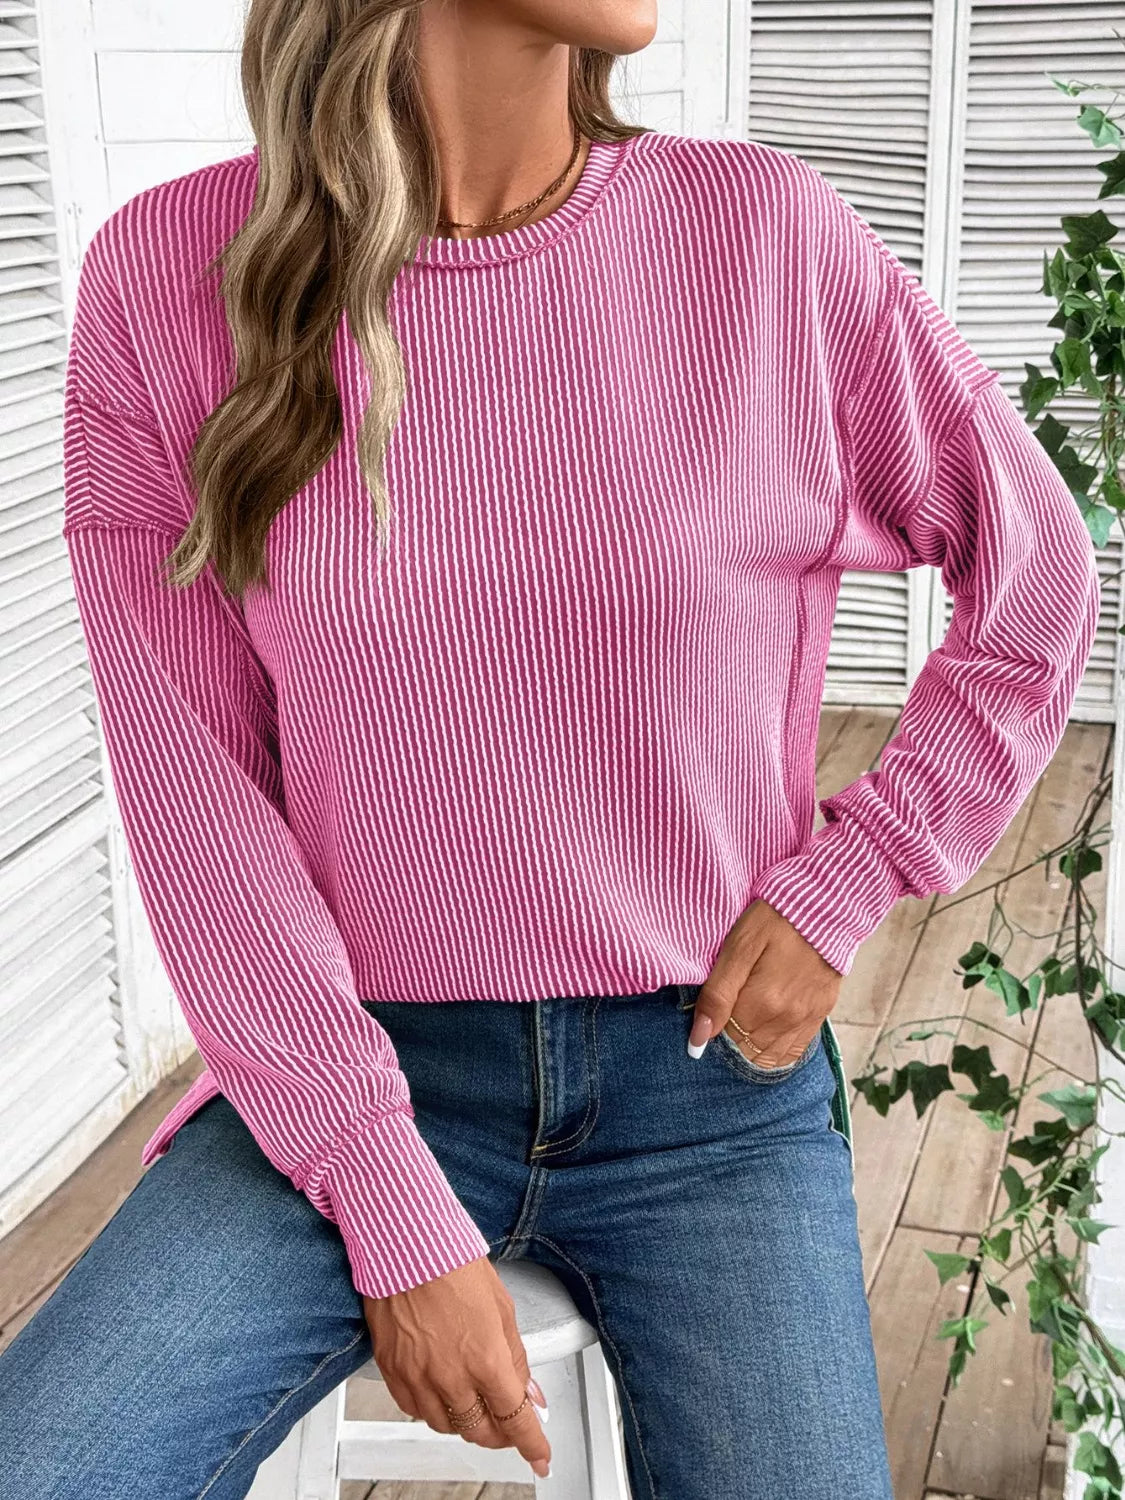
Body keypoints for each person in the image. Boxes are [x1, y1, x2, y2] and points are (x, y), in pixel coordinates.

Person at [0, 0, 1102, 1496]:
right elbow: (195, 789)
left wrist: (855, 875)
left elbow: (1036, 569)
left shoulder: (763, 239)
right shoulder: (172, 276)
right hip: (344, 1070)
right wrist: (388, 1205)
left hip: (703, 1080)